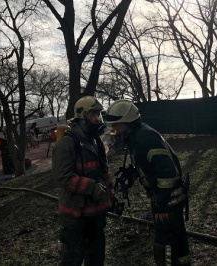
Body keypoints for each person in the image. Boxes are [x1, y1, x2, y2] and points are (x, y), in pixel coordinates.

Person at [105, 99, 190, 266]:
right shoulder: (139, 136)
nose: (114, 131)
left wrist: (162, 207)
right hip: (170, 198)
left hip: (169, 200)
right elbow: (154, 166)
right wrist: (135, 172)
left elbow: (167, 174)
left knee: (165, 243)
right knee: (177, 238)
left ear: (128, 122)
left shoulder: (145, 139)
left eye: (117, 126)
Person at [52, 96, 113, 266]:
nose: (98, 121)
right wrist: (92, 187)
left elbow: (102, 171)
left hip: (96, 213)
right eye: (95, 116)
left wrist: (110, 192)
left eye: (100, 116)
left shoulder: (95, 142)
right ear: (83, 117)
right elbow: (62, 177)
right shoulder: (67, 144)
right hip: (75, 217)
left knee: (96, 257)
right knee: (73, 258)